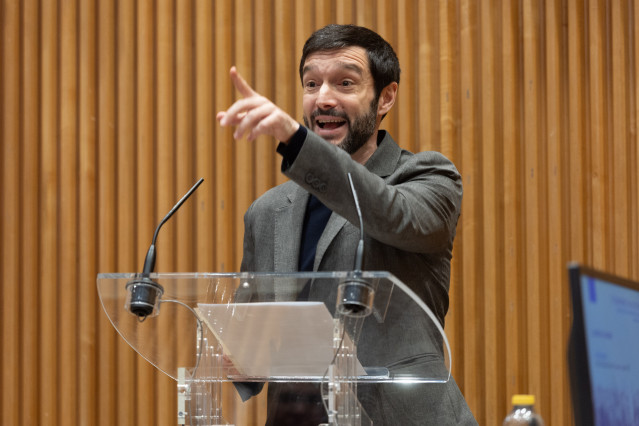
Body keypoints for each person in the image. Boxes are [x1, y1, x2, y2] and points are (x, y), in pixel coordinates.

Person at [217, 24, 477, 425]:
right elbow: (253, 338)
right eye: (311, 83)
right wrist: (237, 355)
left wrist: (295, 139)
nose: (323, 98)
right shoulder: (266, 212)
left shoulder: (428, 178)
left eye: (344, 83)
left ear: (385, 97)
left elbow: (389, 212)